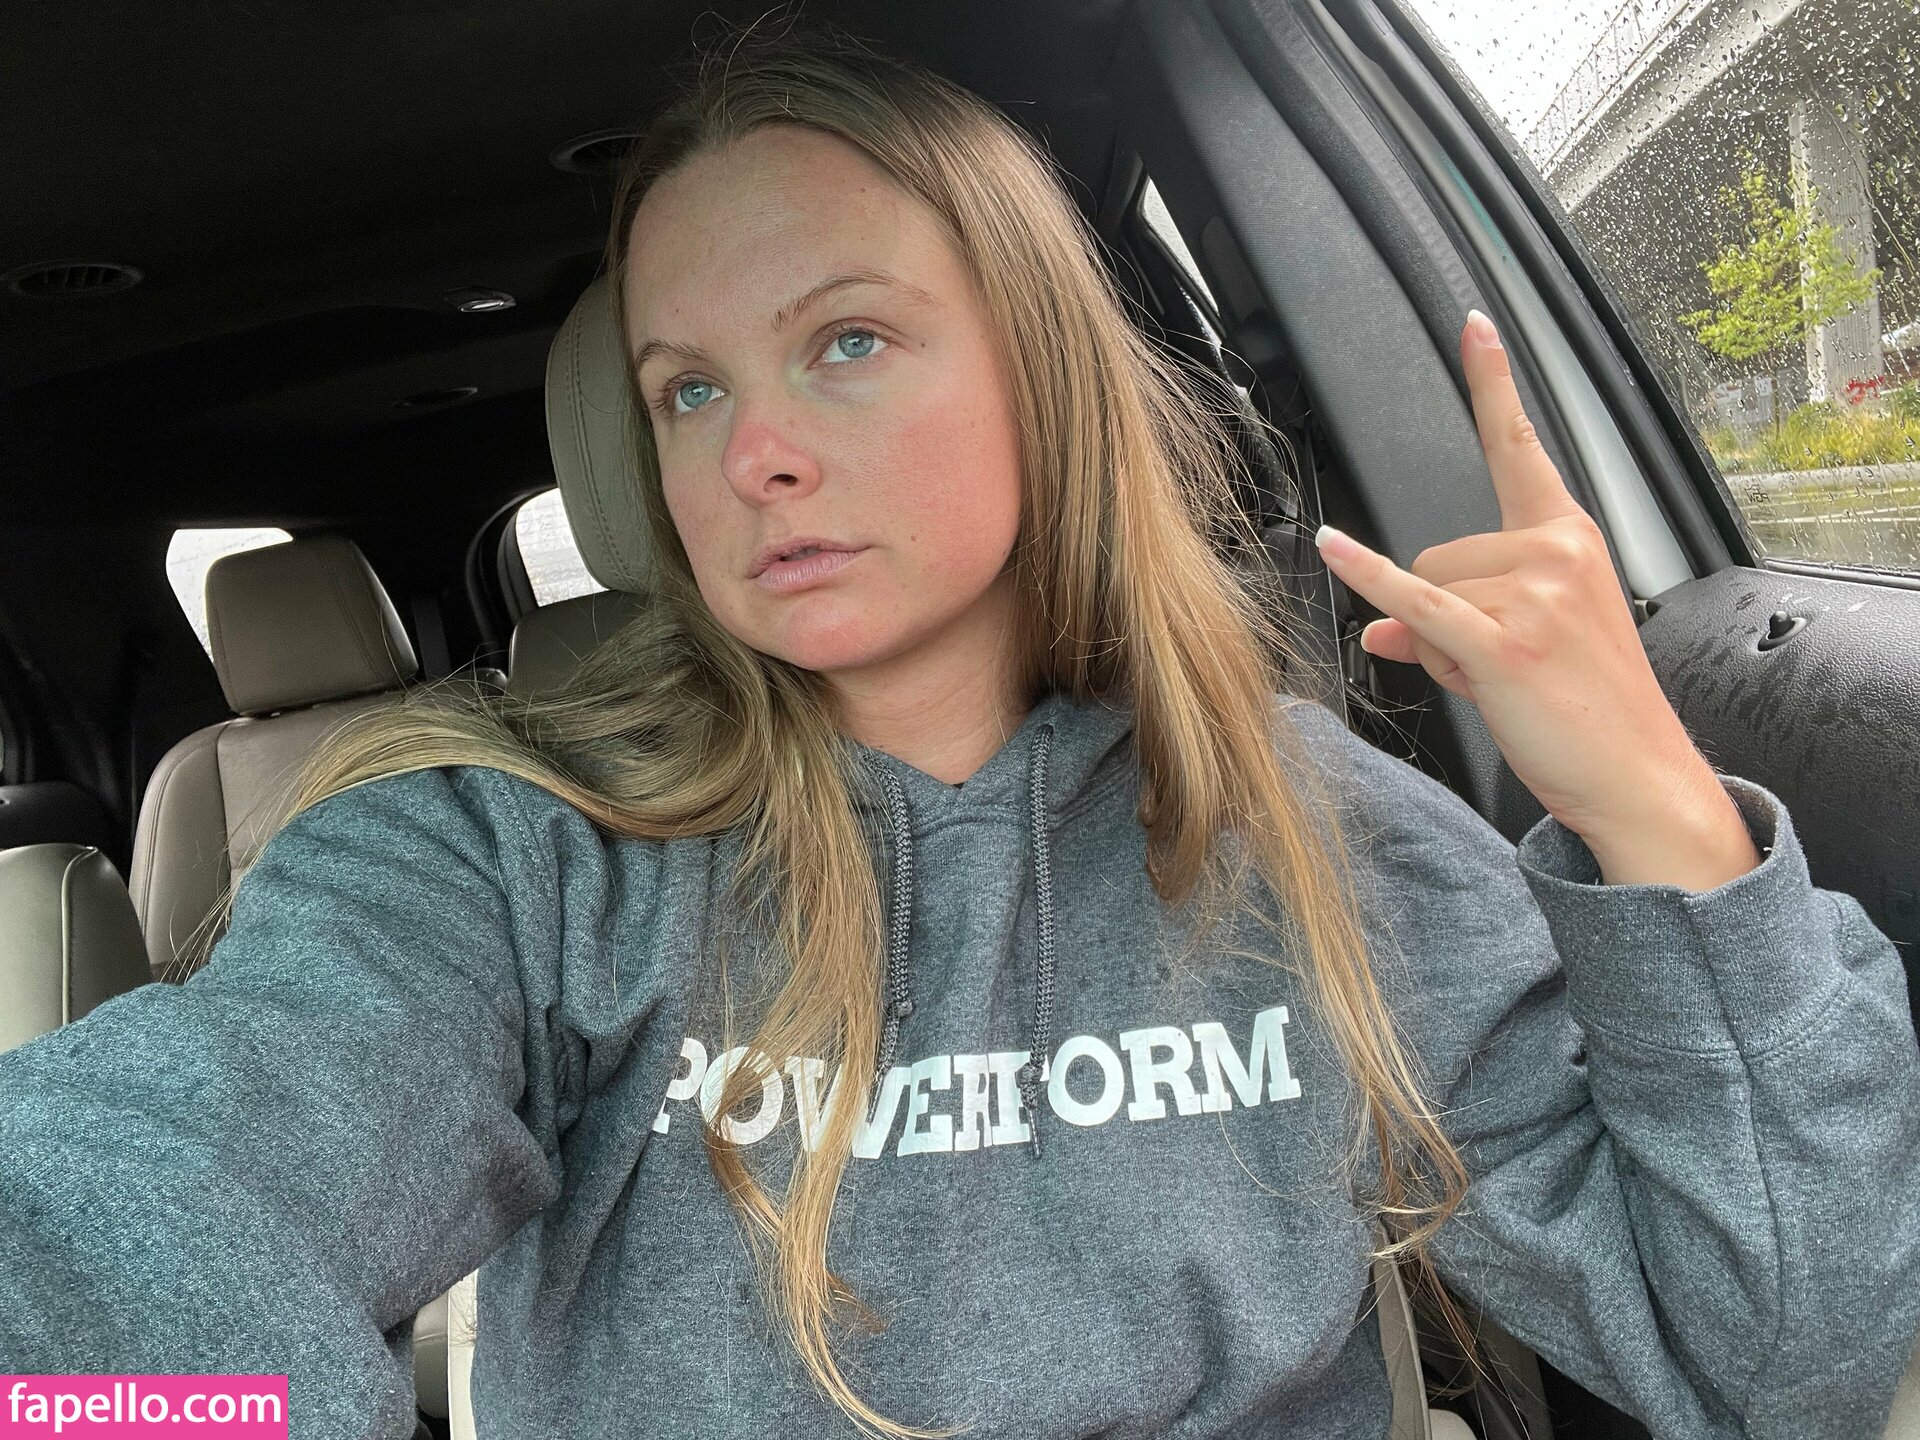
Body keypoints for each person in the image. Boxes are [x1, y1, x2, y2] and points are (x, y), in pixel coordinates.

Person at [3, 17, 1918, 1440]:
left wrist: (1658, 813)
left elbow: (1785, 1364)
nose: (753, 451)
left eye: (845, 342)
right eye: (686, 391)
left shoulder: (1303, 827)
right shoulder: (513, 856)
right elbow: (157, 1203)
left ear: (1041, 372)